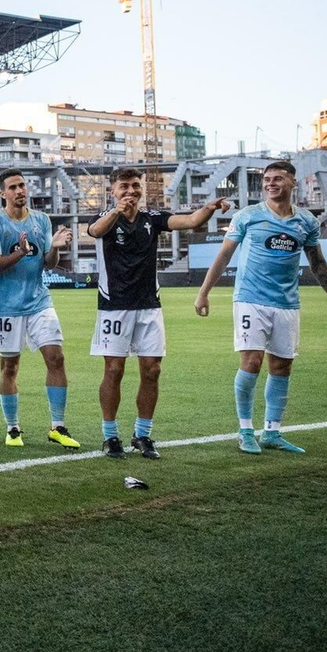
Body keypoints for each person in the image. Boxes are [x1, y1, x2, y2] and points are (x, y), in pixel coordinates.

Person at [195, 159, 327, 453]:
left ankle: (271, 432)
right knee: (252, 362)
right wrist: (203, 292)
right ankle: (245, 430)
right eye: (267, 179)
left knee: (282, 365)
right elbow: (223, 256)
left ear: (292, 183)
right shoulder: (248, 216)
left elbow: (318, 263)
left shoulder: (307, 222)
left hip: (287, 303)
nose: (271, 183)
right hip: (250, 299)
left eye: (278, 179)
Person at [88, 170, 228, 459]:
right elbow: (95, 232)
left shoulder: (152, 218)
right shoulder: (104, 217)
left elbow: (189, 221)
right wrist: (117, 211)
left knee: (152, 370)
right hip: (114, 305)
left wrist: (209, 208)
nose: (131, 191)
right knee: (114, 371)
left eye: (135, 186)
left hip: (149, 305)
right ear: (112, 190)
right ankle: (110, 435)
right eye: (124, 186)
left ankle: (143, 434)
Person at [0, 169, 78, 448]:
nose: (20, 191)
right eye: (13, 187)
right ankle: (13, 428)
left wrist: (56, 247)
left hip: (39, 302)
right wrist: (21, 252)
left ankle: (57, 426)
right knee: (10, 367)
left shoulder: (42, 220)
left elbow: (48, 263)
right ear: (3, 193)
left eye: (22, 185)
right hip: (7, 306)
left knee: (56, 358)